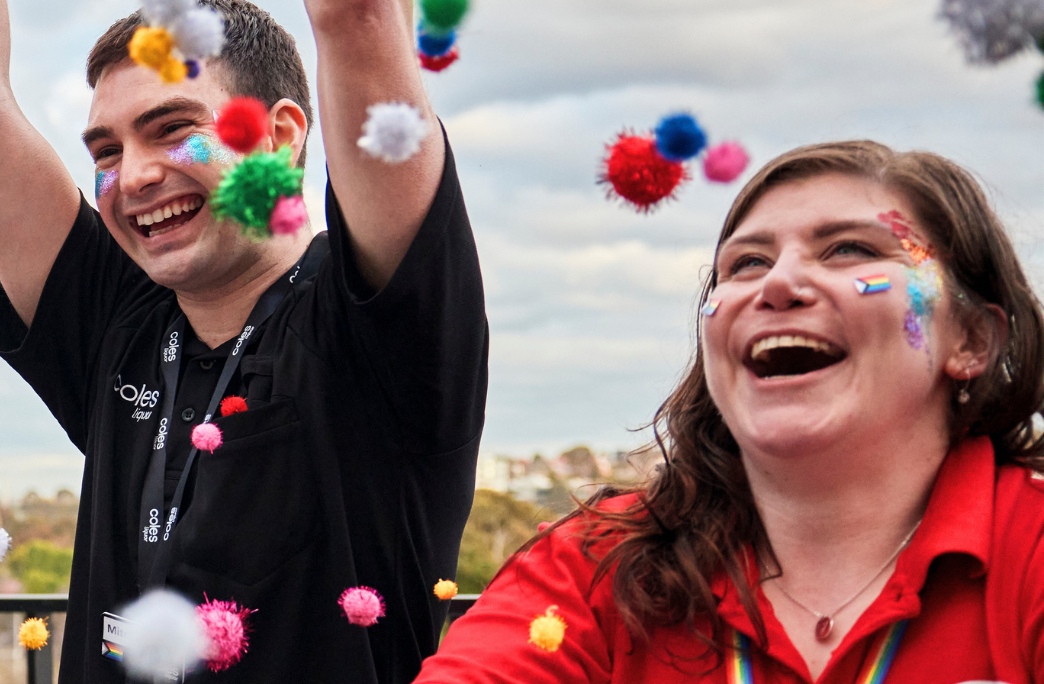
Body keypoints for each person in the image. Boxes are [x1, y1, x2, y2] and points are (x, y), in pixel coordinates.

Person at [0, 0, 484, 680]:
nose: (135, 175)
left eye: (171, 128)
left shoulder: (381, 324)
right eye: (107, 152)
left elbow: (357, 5)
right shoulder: (114, 325)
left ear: (277, 137)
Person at [419, 142, 1044, 682]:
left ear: (971, 339)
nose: (777, 285)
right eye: (747, 263)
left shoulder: (1030, 547)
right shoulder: (591, 565)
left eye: (849, 249)